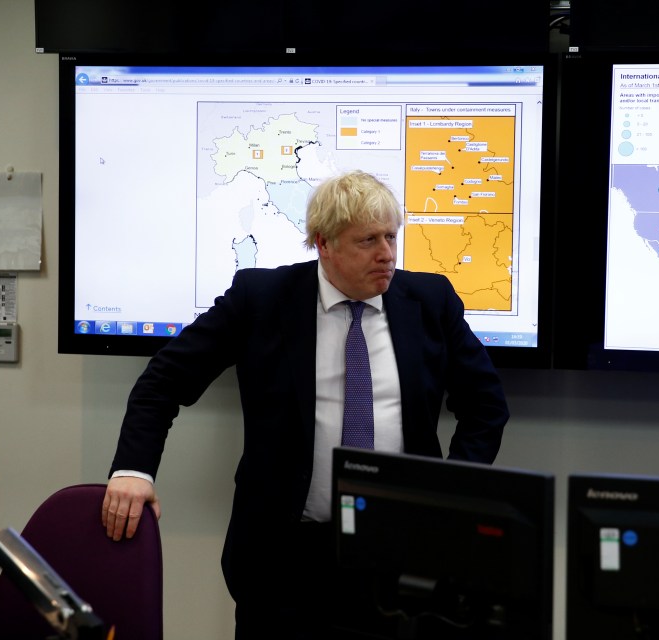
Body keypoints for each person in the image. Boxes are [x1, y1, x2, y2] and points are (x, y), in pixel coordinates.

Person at [100, 169, 510, 638]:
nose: (387, 255)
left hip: (402, 552)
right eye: (367, 240)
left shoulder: (429, 301)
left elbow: (485, 406)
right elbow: (162, 380)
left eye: (391, 237)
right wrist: (133, 470)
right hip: (284, 560)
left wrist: (450, 491)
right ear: (324, 243)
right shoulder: (261, 300)